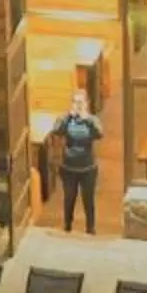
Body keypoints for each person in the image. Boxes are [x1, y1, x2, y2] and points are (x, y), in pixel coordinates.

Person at [54, 91, 103, 234]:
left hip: (88, 168)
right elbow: (57, 130)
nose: (78, 105)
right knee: (69, 198)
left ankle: (90, 228)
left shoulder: (92, 120)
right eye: (75, 102)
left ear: (86, 104)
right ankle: (67, 225)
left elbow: (99, 133)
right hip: (69, 168)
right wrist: (68, 116)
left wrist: (87, 119)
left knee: (88, 199)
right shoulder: (67, 119)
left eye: (80, 102)